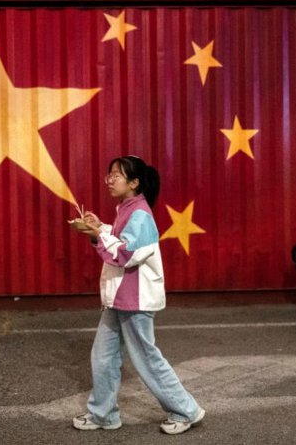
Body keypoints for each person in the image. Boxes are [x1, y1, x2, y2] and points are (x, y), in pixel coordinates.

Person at [72, 155, 205, 435]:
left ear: (134, 183)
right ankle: (104, 414)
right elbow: (122, 240)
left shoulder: (140, 214)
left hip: (135, 300)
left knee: (146, 357)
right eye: (109, 174)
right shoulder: (127, 209)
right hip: (120, 299)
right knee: (103, 357)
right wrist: (102, 228)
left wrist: (97, 234)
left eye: (116, 175)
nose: (110, 180)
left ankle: (186, 410)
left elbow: (125, 254)